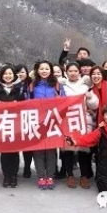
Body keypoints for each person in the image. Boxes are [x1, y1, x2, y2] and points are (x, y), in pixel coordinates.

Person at [28, 60, 66, 190]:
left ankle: (50, 176)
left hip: (52, 122)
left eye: (47, 69)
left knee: (51, 150)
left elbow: (65, 102)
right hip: (37, 122)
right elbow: (27, 103)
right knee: (38, 150)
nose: (44, 71)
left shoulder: (57, 85)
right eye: (41, 69)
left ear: (51, 71)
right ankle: (40, 177)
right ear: (37, 70)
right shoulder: (32, 86)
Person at [61, 63, 99, 189]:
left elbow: (94, 105)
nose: (73, 73)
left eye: (75, 71)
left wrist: (90, 98)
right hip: (67, 121)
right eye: (70, 71)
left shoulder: (85, 86)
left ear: (79, 72)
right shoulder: (62, 87)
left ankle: (84, 176)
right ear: (66, 72)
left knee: (83, 149)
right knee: (68, 148)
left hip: (83, 121)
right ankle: (70, 175)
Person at [0, 65, 26, 188]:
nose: (8, 76)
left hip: (16, 124)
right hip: (2, 124)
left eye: (10, 73)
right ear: (1, 75)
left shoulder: (20, 88)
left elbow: (26, 105)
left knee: (14, 151)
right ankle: (6, 176)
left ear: (14, 75)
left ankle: (14, 175)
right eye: (5, 74)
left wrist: (19, 105)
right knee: (4, 152)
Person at [14, 64, 35, 179]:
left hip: (28, 117)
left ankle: (27, 167)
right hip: (15, 118)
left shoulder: (32, 84)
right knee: (15, 144)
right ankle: (15, 168)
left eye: (22, 72)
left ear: (27, 73)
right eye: (17, 72)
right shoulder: (10, 85)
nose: (20, 74)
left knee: (28, 145)